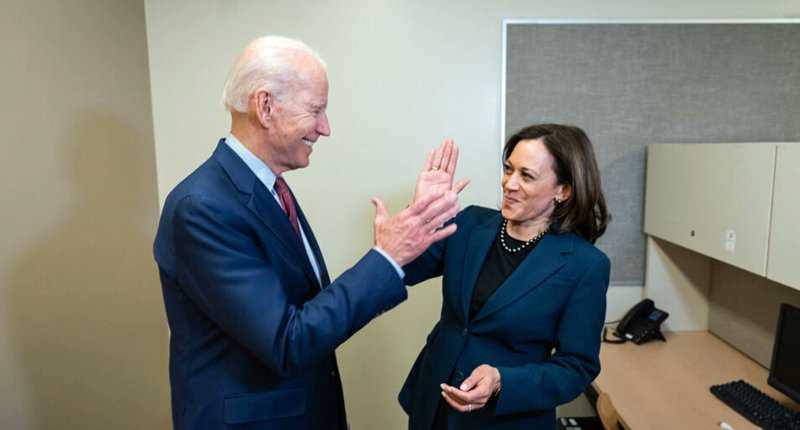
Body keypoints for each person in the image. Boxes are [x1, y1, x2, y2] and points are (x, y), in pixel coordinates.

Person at [153, 36, 463, 430]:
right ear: (265, 107)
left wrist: (409, 236)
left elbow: (307, 310)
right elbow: (289, 341)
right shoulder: (203, 207)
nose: (325, 128)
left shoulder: (267, 188)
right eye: (316, 110)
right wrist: (385, 257)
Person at [399, 124, 611, 429]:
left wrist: (503, 381)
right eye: (509, 169)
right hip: (432, 404)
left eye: (526, 175)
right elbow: (406, 269)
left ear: (563, 190)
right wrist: (420, 214)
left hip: (505, 419)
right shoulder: (471, 223)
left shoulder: (584, 265)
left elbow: (576, 366)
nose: (509, 183)